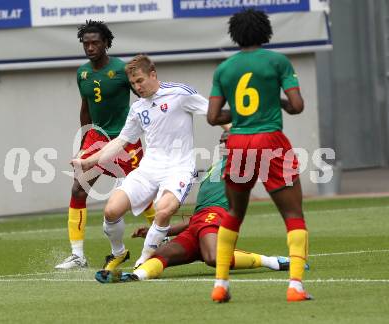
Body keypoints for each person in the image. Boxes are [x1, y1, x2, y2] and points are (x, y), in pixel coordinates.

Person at [94, 132, 306, 284]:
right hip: (199, 223)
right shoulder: (215, 167)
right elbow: (196, 218)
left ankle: (274, 262)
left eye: (227, 138)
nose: (223, 142)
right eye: (221, 140)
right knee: (157, 257)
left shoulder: (242, 162)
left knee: (213, 258)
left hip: (215, 218)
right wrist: (163, 231)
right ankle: (132, 277)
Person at [72, 54, 219, 270]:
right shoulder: (138, 109)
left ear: (153, 74)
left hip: (178, 169)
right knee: (111, 211)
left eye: (140, 81)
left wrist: (234, 133)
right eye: (133, 83)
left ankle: (144, 259)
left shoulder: (179, 93)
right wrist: (89, 161)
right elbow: (120, 142)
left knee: (163, 210)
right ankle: (119, 252)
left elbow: (214, 114)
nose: (137, 87)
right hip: (148, 170)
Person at [207, 9, 312, 302]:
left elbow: (213, 116)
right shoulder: (278, 62)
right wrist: (274, 101)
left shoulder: (224, 69)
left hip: (238, 142)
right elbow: (297, 105)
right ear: (265, 31)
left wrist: (240, 114)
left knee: (234, 213)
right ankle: (295, 286)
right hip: (271, 140)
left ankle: (221, 285)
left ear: (234, 34)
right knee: (293, 214)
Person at [55, 21, 155, 270]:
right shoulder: (82, 74)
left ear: (106, 43)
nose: (90, 47)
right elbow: (85, 108)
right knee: (78, 189)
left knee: (142, 194)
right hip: (96, 139)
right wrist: (83, 142)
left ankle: (160, 236)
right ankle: (78, 255)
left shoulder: (123, 70)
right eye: (86, 43)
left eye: (95, 42)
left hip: (125, 139)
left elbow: (146, 95)